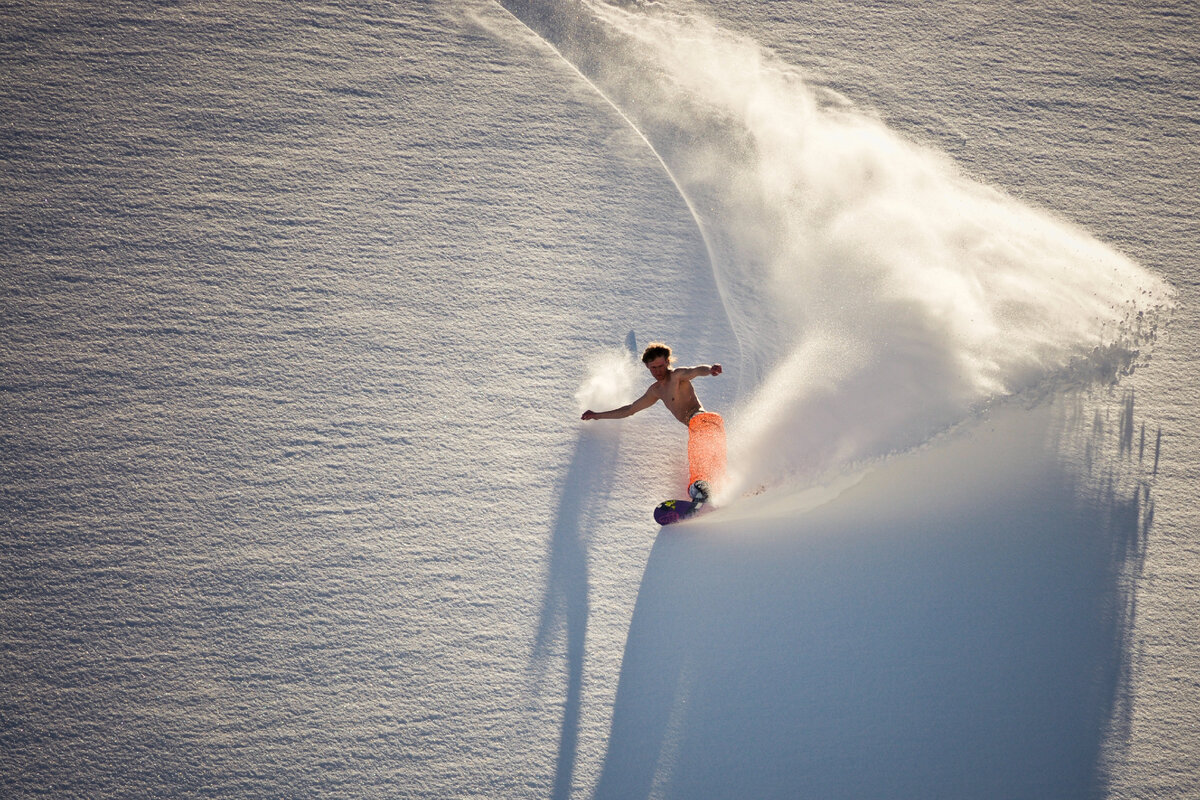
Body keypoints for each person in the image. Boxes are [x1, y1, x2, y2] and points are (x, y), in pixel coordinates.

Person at [581, 343, 726, 503]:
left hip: (703, 420)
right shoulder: (656, 391)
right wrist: (597, 415)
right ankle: (722, 488)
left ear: (668, 362)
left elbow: (695, 371)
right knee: (713, 458)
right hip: (705, 426)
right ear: (647, 367)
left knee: (697, 451)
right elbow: (630, 409)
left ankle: (698, 486)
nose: (658, 371)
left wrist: (710, 369)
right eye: (653, 368)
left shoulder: (677, 376)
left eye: (661, 366)